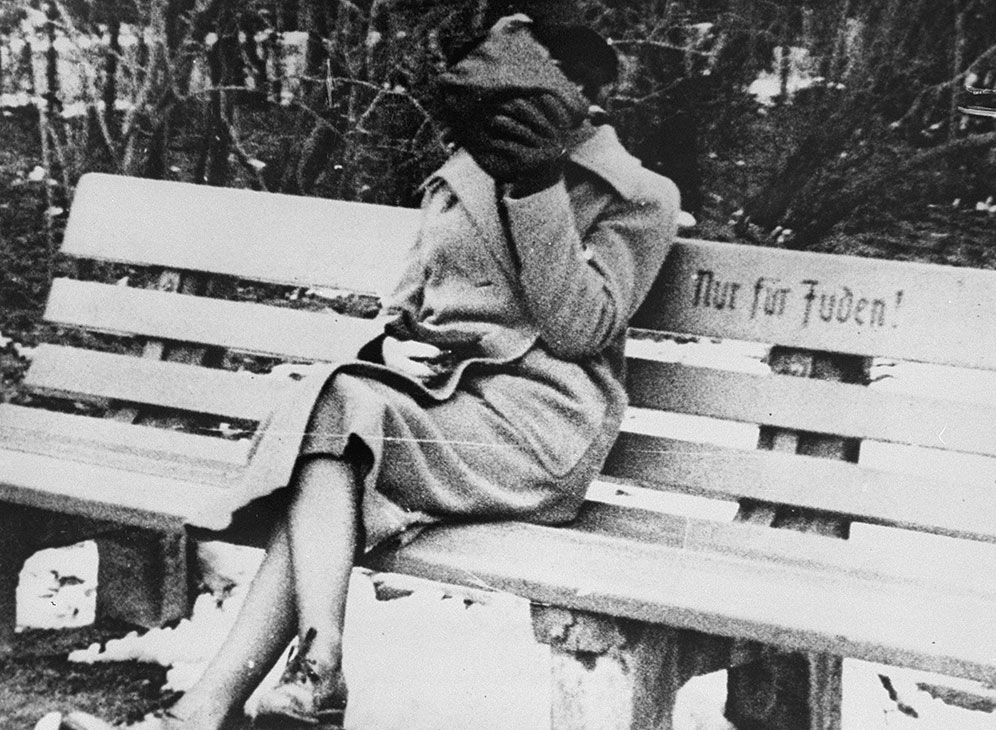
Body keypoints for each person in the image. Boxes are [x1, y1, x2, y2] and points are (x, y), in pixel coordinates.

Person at [60, 12, 679, 730]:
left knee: (336, 425)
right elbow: (409, 301)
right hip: (436, 406)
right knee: (335, 424)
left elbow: (581, 331)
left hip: (536, 425)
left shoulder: (636, 195)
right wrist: (393, 345)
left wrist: (537, 190)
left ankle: (264, 691)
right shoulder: (463, 174)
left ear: (582, 97)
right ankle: (257, 691)